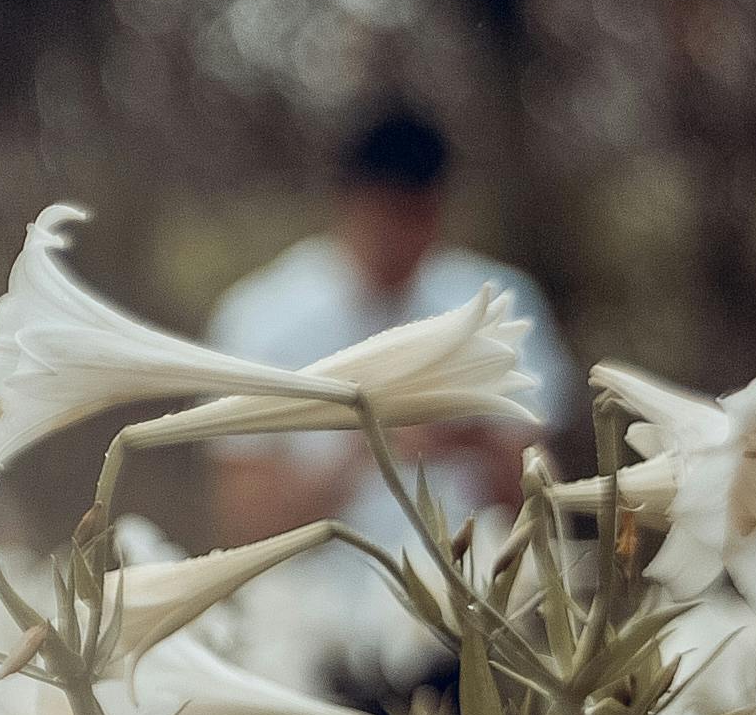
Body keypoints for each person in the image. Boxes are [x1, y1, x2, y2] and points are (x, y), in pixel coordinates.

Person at [196, 109, 569, 562]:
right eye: (384, 214)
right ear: (347, 204)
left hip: (471, 597)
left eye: (417, 216)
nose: (399, 238)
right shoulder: (261, 315)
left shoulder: (497, 302)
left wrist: (472, 436)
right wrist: (370, 444)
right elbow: (244, 522)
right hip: (309, 612)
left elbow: (547, 504)